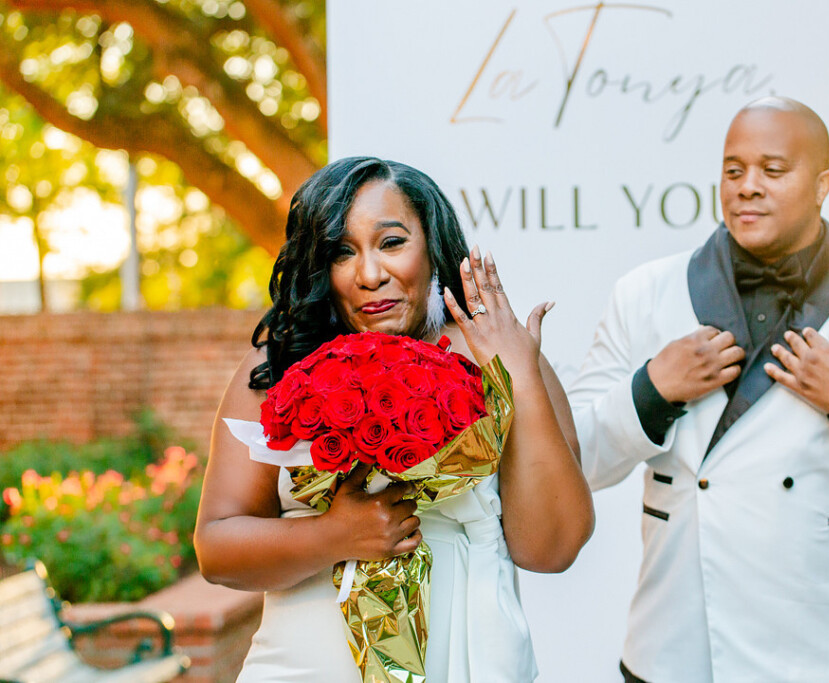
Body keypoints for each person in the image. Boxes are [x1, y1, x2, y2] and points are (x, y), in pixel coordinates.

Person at [569, 97, 829, 683]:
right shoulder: (642, 294)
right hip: (677, 652)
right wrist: (651, 390)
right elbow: (573, 462)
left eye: (772, 171)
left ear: (822, 185)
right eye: (733, 169)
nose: (747, 187)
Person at [195, 156, 594, 682]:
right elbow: (217, 549)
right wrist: (334, 536)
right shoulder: (278, 367)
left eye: (391, 243)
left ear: (432, 245)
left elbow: (553, 548)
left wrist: (517, 373)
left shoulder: (503, 353)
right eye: (342, 251)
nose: (370, 274)